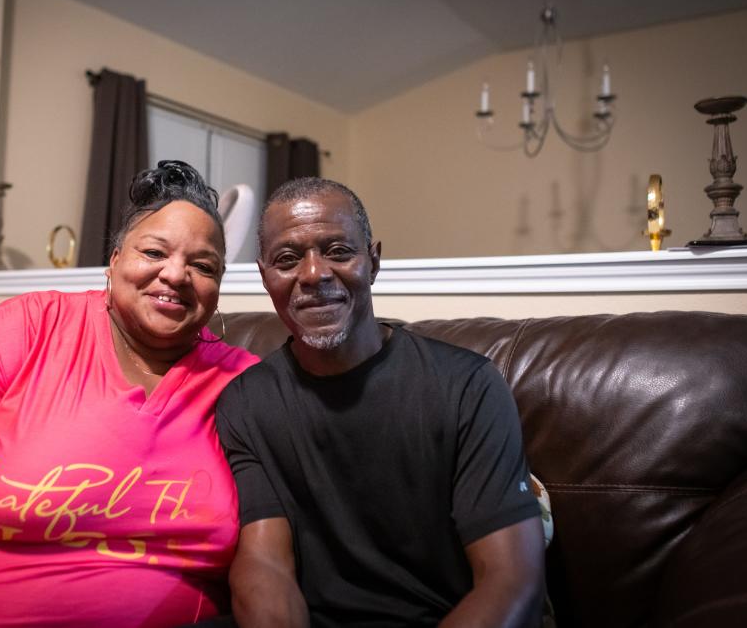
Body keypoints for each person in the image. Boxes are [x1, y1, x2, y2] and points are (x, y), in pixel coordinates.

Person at [0, 161, 259, 628]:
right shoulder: (29, 326)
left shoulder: (246, 384)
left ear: (218, 286)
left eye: (203, 265)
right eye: (154, 252)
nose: (176, 274)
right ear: (115, 260)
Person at [215, 177, 545, 627]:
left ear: (373, 260)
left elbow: (510, 580)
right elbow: (265, 563)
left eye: (338, 251)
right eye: (288, 259)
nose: (314, 274)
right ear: (265, 276)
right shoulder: (247, 401)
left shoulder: (467, 386)